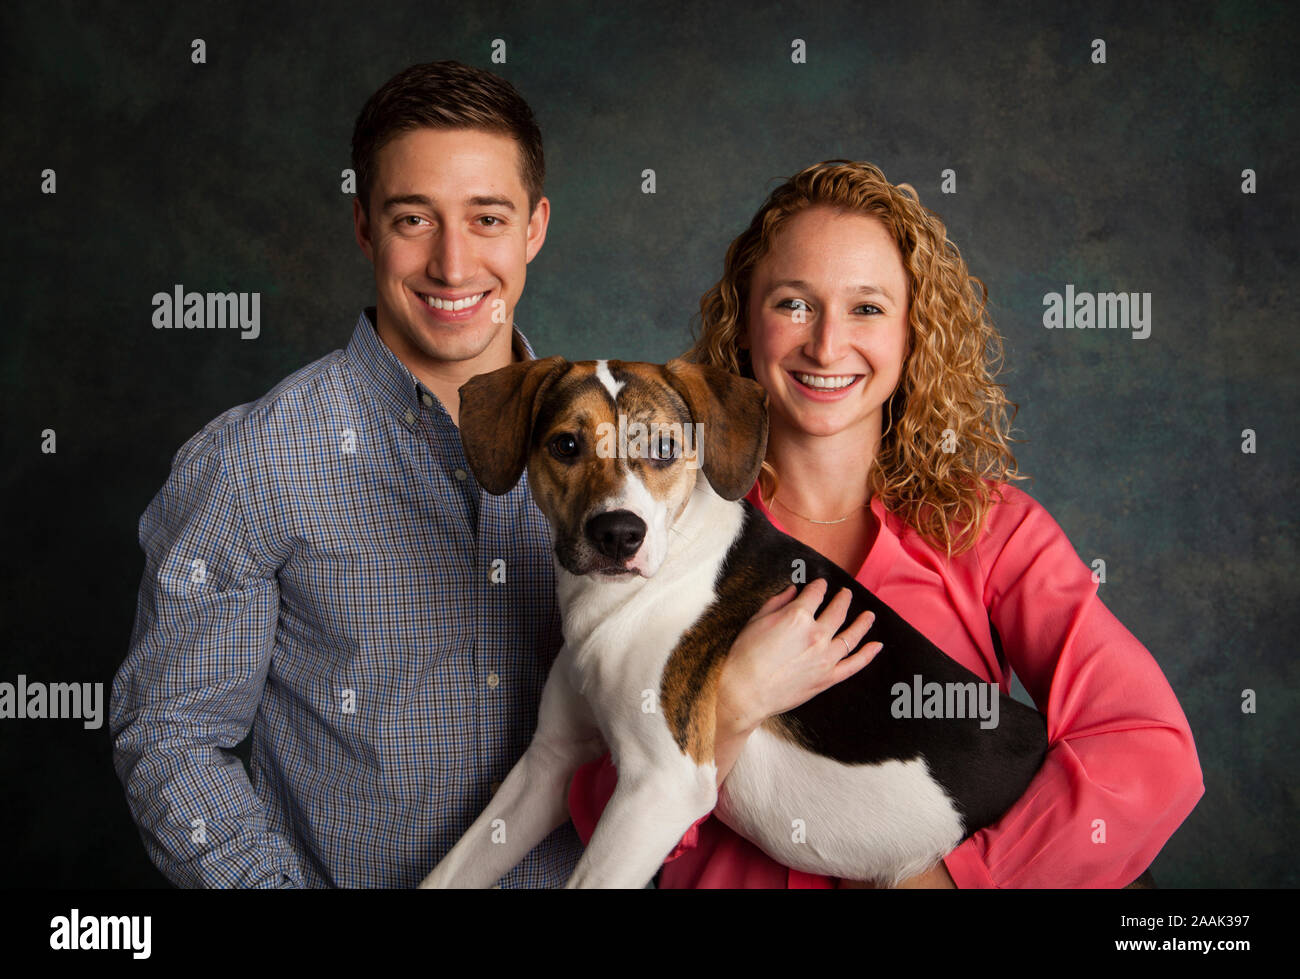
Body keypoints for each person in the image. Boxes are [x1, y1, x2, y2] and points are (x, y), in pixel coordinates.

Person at [568, 160, 1205, 888]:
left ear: (914, 334)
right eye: (793, 304)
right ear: (744, 323)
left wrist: (964, 881)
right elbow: (595, 797)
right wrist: (732, 704)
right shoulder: (651, 532)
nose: (828, 344)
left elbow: (1146, 745)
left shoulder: (986, 531)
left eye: (867, 308)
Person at [109, 61, 585, 887]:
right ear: (365, 227)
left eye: (487, 218)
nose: (452, 261)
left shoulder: (621, 446)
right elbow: (171, 732)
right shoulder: (252, 461)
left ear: (535, 227)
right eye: (413, 218)